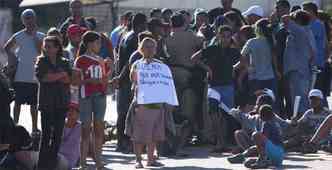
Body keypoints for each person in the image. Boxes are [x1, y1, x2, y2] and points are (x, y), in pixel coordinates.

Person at [129, 37, 177, 168]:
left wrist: (170, 101)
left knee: (154, 135)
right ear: (141, 49)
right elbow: (133, 82)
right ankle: (138, 160)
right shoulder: (137, 65)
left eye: (152, 47)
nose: (149, 49)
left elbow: (167, 85)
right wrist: (135, 73)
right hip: (142, 105)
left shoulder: (161, 66)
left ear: (156, 49)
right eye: (146, 47)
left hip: (157, 105)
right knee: (139, 135)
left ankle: (150, 159)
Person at [3, 9, 45, 133]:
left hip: (35, 76)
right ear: (22, 20)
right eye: (26, 18)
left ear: (35, 18)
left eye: (31, 17)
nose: (29, 20)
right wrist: (13, 60)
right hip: (20, 75)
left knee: (34, 105)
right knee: (17, 103)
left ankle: (34, 128)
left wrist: (36, 39)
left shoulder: (42, 36)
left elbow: (44, 52)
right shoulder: (19, 35)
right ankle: (15, 125)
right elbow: (7, 48)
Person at [74, 31, 111, 169]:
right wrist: (89, 80)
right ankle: (83, 162)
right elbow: (75, 81)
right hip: (85, 96)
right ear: (89, 43)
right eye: (97, 42)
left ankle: (99, 161)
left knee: (99, 128)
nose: (99, 45)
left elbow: (105, 81)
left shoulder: (101, 59)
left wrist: (110, 70)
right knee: (85, 129)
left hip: (100, 96)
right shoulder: (80, 60)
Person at [35, 36, 72, 170]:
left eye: (50, 46)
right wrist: (60, 75)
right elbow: (44, 78)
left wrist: (58, 76)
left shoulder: (64, 61)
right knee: (45, 136)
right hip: (46, 103)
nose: (47, 49)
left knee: (57, 136)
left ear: (57, 48)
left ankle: (52, 165)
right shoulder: (41, 62)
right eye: (46, 46)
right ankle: (42, 166)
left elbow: (68, 79)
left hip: (61, 103)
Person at [113, 13, 147, 153]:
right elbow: (129, 62)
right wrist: (121, 78)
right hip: (127, 80)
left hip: (123, 80)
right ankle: (125, 143)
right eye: (145, 24)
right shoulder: (134, 39)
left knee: (122, 113)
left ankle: (121, 142)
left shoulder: (124, 35)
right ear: (141, 24)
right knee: (128, 113)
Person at [238, 18, 280, 99]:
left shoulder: (252, 42)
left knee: (255, 101)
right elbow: (274, 57)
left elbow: (241, 56)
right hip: (270, 77)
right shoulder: (271, 41)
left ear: (258, 29)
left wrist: (247, 67)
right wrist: (277, 70)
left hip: (255, 77)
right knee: (271, 100)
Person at [282, 14, 312, 116]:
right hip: (298, 70)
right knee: (298, 99)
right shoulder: (303, 32)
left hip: (298, 71)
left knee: (300, 100)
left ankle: (303, 124)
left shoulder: (300, 31)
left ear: (298, 21)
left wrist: (289, 16)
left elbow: (285, 18)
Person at [303, 2, 330, 101]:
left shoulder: (315, 25)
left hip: (314, 65)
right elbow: (326, 45)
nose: (302, 12)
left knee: (315, 93)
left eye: (304, 10)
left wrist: (322, 60)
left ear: (311, 11)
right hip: (315, 64)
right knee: (318, 93)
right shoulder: (319, 24)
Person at [244, 105, 284, 169]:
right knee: (248, 162)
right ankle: (266, 161)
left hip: (275, 152)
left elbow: (262, 141)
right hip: (279, 156)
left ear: (262, 115)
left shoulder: (267, 123)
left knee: (256, 135)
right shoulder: (275, 123)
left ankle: (263, 160)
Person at [58, 103, 81, 169]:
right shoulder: (60, 125)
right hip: (58, 156)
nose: (70, 112)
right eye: (69, 110)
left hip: (69, 161)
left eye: (73, 110)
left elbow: (89, 144)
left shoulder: (81, 127)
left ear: (78, 114)